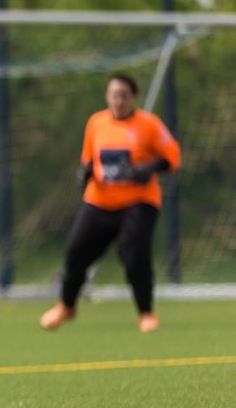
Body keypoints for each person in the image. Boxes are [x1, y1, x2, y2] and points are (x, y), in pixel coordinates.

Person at [40, 73, 181, 334]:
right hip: (100, 201)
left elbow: (172, 156)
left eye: (124, 95)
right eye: (114, 95)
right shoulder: (96, 123)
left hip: (138, 202)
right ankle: (66, 306)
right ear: (107, 97)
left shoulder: (148, 125)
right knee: (76, 251)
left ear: (133, 98)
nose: (119, 100)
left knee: (134, 253)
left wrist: (149, 168)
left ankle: (146, 314)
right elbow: (90, 160)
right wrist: (85, 173)